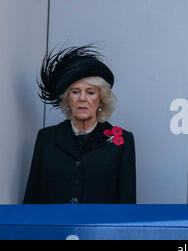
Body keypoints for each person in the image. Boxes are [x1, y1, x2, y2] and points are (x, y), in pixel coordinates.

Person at [23, 45, 136, 204]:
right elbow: (31, 199)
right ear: (67, 99)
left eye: (90, 92)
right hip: (55, 227)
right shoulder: (46, 138)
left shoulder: (122, 141)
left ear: (101, 99)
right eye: (75, 91)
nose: (82, 98)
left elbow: (127, 205)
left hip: (99, 228)